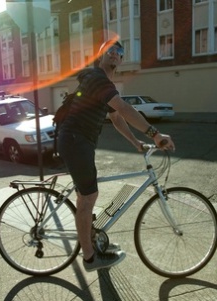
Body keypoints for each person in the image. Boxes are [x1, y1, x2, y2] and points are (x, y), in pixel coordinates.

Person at [57, 40, 175, 272]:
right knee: (88, 199)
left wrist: (136, 143)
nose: (114, 53)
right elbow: (123, 108)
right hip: (75, 140)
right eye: (108, 50)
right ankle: (90, 259)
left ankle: (92, 244)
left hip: (80, 142)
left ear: (121, 60)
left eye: (119, 52)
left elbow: (117, 118)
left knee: (86, 196)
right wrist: (154, 134)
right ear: (100, 56)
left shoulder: (105, 85)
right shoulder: (96, 78)